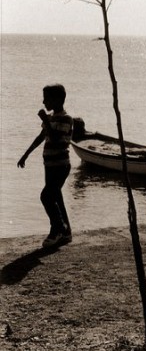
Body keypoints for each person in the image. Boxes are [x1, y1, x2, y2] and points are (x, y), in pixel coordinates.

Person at [17, 84, 74, 248]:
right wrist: (25, 154)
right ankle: (66, 232)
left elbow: (56, 138)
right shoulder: (50, 118)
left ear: (57, 99)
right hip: (49, 165)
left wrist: (44, 120)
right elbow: (41, 137)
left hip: (61, 165)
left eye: (46, 98)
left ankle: (57, 229)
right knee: (56, 197)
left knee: (46, 196)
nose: (44, 101)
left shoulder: (66, 118)